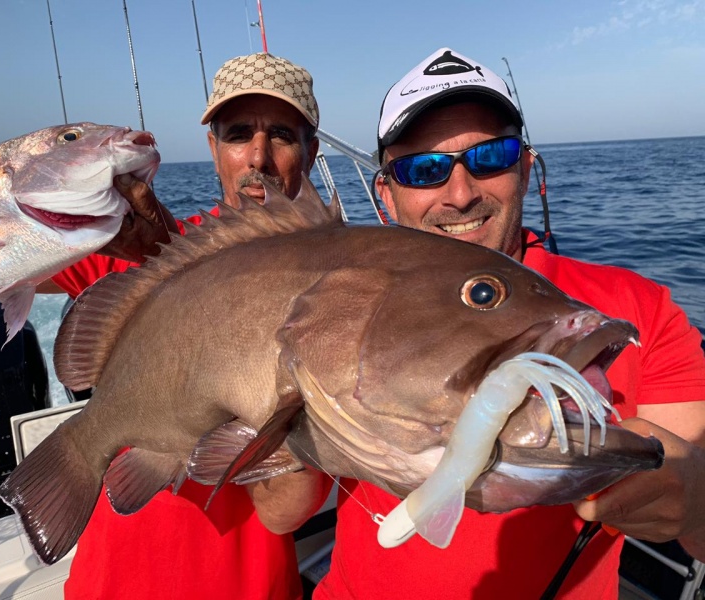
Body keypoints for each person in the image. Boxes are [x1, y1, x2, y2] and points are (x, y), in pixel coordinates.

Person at [301, 47, 705, 599]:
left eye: (491, 157)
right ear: (387, 196)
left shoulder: (640, 310)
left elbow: (695, 508)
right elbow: (284, 511)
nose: (461, 192)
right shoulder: (335, 301)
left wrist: (696, 498)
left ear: (526, 167)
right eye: (424, 169)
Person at [45, 52, 328, 600]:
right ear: (214, 149)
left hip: (248, 584)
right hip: (111, 580)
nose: (259, 157)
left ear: (310, 152)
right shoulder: (142, 249)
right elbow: (3, 266)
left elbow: (280, 513)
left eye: (283, 136)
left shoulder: (338, 278)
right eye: (238, 133)